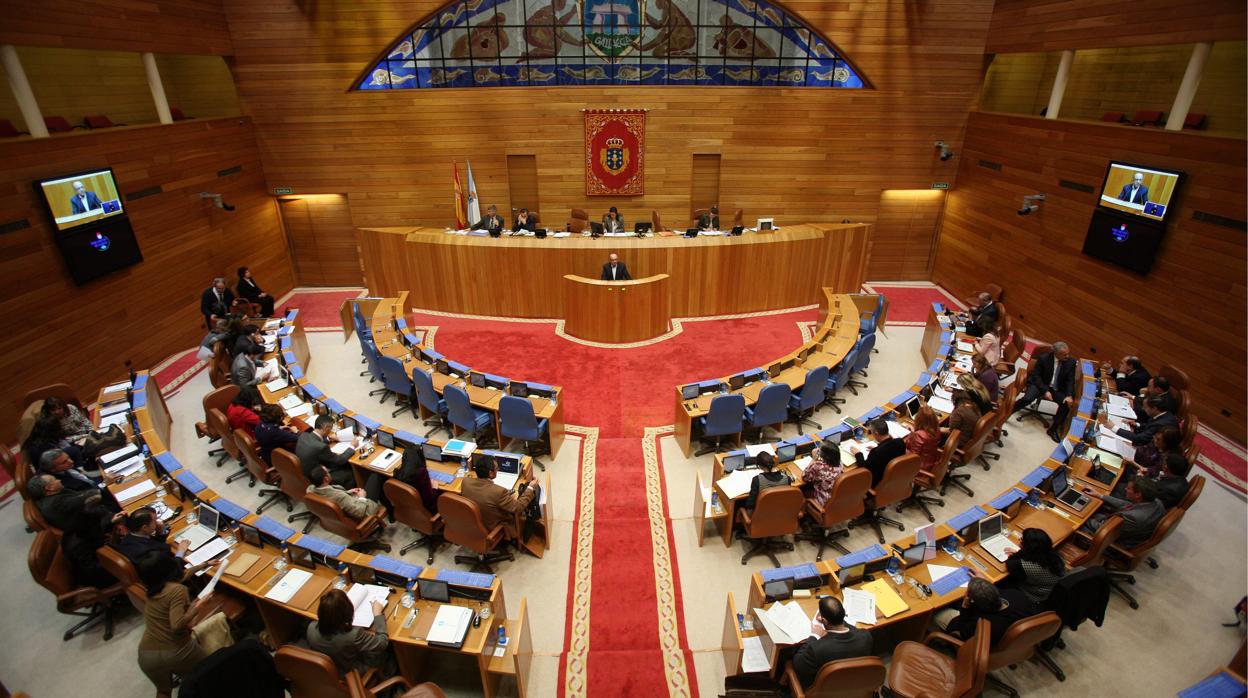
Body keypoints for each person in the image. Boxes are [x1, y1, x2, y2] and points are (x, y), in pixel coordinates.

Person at [135, 551, 222, 698]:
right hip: (177, 651)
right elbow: (177, 625)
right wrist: (199, 606)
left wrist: (205, 565)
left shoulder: (153, 588)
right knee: (211, 675)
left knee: (163, 692)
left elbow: (182, 575)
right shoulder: (177, 590)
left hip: (147, 654)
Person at [791, 597, 874, 688]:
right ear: (843, 613)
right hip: (854, 684)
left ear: (824, 621)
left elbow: (798, 664)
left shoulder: (817, 649)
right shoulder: (866, 636)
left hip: (825, 688)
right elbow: (854, 631)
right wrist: (837, 618)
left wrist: (814, 636)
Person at [305, 588, 391, 676]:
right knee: (388, 649)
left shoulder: (311, 627)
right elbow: (383, 642)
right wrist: (377, 614)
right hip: (353, 674)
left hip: (332, 671)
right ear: (347, 611)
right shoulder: (354, 635)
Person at [459, 453, 539, 541]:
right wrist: (530, 488)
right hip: (490, 526)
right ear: (490, 473)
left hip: (472, 523)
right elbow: (518, 507)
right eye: (497, 468)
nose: (498, 469)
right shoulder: (499, 492)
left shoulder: (465, 481)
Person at [944, 577, 1038, 647]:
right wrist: (983, 586)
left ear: (974, 603)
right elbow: (1000, 592)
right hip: (1014, 641)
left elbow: (962, 630)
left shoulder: (983, 624)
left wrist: (965, 607)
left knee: (938, 613)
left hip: (977, 639)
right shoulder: (1016, 595)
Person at [1012, 341, 1077, 442]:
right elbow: (1036, 376)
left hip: (1056, 388)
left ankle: (1053, 429)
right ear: (1056, 353)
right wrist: (1045, 391)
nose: (1067, 356)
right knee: (1028, 398)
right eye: (1064, 354)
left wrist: (1069, 395)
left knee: (1066, 404)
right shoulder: (1044, 358)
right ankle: (1009, 410)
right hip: (1040, 384)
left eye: (1068, 353)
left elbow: (1070, 380)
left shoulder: (1071, 362)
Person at [1081, 476, 1165, 548]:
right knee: (1091, 511)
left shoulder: (1134, 518)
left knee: (1076, 524)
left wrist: (1083, 518)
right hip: (1117, 527)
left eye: (1128, 488)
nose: (1125, 489)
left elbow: (1104, 530)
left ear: (1138, 495)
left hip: (1112, 543)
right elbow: (1127, 505)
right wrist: (1100, 495)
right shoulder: (1156, 502)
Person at [366, 445, 441, 514]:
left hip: (407, 509)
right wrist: (434, 488)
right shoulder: (421, 473)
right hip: (425, 509)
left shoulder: (398, 473)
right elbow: (429, 499)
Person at [1005, 528, 1066, 605]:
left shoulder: (1023, 565)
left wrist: (1019, 553)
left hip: (1035, 595)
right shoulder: (1055, 555)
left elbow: (1010, 563)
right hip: (1051, 589)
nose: (1019, 540)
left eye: (1022, 539)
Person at [296, 415, 358, 487]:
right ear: (325, 428)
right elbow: (339, 460)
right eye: (331, 428)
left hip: (307, 473)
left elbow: (314, 440)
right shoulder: (321, 447)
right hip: (318, 479)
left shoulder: (303, 436)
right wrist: (352, 446)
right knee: (350, 470)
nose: (331, 431)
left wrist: (328, 438)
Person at [308, 465, 383, 522]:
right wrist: (362, 497)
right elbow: (359, 512)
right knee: (376, 475)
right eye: (328, 472)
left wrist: (347, 492)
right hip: (364, 511)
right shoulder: (339, 496)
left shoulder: (310, 490)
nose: (329, 472)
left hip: (348, 507)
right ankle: (390, 511)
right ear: (326, 479)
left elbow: (333, 497)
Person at [850, 419, 907, 486]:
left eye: (871, 432)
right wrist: (878, 447)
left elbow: (865, 470)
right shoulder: (900, 442)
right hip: (896, 477)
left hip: (877, 482)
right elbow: (889, 450)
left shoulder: (876, 453)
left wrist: (858, 454)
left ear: (876, 433)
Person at [1113, 395, 1179, 446]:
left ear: (1154, 408)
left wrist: (1114, 428)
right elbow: (1150, 425)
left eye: (1145, 407)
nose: (1143, 409)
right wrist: (1137, 424)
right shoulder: (1165, 413)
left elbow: (1139, 439)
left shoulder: (1161, 424)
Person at [801, 442, 845, 508]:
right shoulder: (840, 464)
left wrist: (814, 459)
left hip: (824, 501)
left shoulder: (818, 466)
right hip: (836, 498)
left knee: (802, 488)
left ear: (824, 456)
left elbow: (805, 477)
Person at [905, 405, 943, 474]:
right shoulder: (937, 430)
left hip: (919, 467)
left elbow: (912, 456)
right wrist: (913, 432)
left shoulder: (919, 435)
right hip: (931, 461)